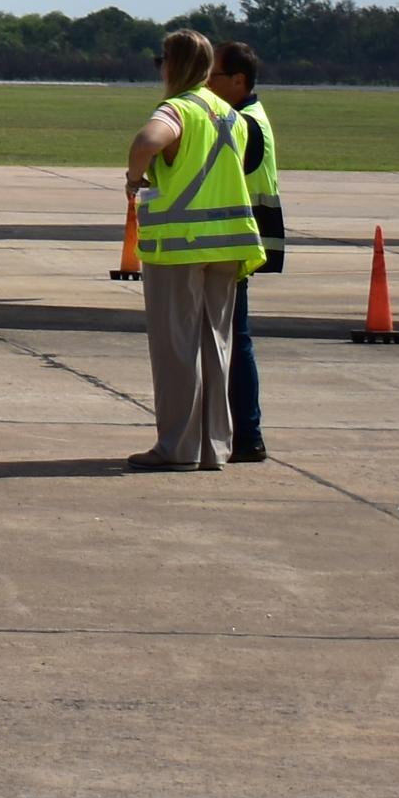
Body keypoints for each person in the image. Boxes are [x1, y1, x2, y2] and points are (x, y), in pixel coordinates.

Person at [124, 27, 263, 472]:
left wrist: (134, 180)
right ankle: (213, 447)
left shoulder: (178, 108)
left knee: (176, 350)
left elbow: (147, 141)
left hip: (180, 247)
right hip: (227, 245)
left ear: (173, 64)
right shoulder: (231, 115)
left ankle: (177, 448)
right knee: (215, 346)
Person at [212, 38, 282, 465]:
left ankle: (247, 435)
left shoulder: (244, 124)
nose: (207, 83)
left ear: (238, 81)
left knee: (236, 341)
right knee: (235, 339)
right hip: (242, 240)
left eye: (214, 76)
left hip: (236, 242)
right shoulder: (250, 116)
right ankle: (243, 434)